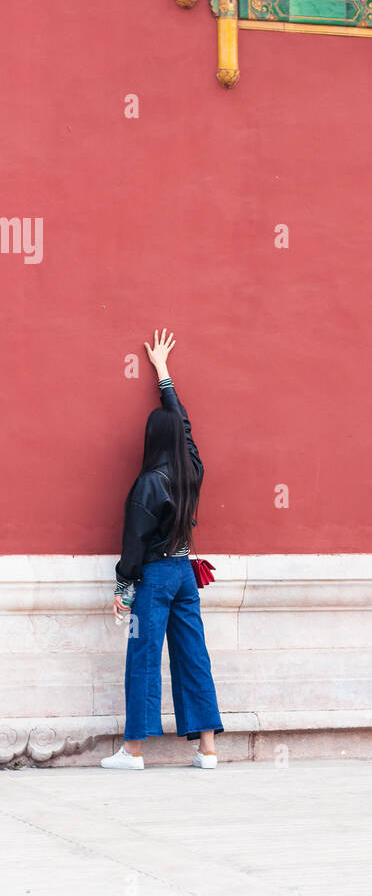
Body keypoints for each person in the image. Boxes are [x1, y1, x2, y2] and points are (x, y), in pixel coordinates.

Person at [101, 330, 223, 771]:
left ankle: (133, 751)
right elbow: (184, 427)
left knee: (143, 656)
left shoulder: (148, 484)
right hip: (186, 575)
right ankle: (207, 749)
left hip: (153, 580)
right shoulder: (193, 470)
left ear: (150, 439)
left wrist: (122, 586)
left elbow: (133, 544)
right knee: (193, 656)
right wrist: (165, 375)